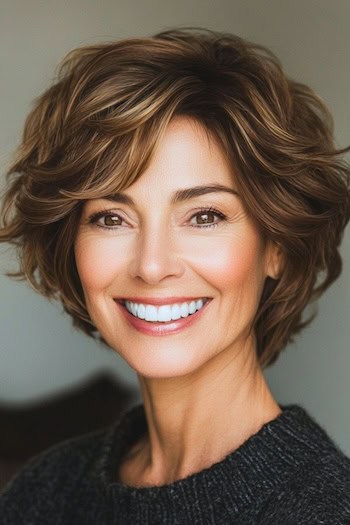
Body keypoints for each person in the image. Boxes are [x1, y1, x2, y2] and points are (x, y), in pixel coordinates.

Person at [0, 27, 349, 524]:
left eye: (204, 216)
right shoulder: (43, 493)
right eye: (111, 218)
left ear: (278, 247)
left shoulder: (327, 510)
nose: (152, 265)